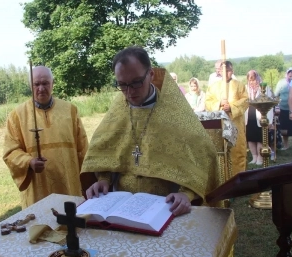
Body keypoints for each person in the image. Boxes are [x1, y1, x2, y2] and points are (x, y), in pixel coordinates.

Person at [81, 46, 220, 217]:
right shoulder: (118, 110)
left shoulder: (174, 111)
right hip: (120, 207)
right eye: (122, 85)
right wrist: (103, 179)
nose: (130, 92)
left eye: (136, 83)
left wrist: (187, 194)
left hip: (166, 206)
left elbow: (202, 154)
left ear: (151, 75)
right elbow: (105, 151)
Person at [3, 66, 88, 208]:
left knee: (72, 226)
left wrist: (87, 181)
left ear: (52, 83)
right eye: (37, 84)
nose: (41, 88)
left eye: (45, 83)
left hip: (69, 185)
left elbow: (83, 149)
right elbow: (10, 152)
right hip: (38, 189)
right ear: (30, 86)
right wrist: (29, 162)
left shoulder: (70, 110)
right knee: (42, 227)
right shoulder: (17, 116)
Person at [205, 61, 249, 176]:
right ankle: (221, 179)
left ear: (232, 71)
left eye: (228, 70)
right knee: (220, 152)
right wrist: (219, 103)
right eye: (223, 71)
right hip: (219, 125)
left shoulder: (239, 85)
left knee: (237, 151)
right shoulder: (213, 86)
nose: (226, 73)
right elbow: (208, 102)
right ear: (219, 71)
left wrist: (231, 107)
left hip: (236, 123)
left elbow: (245, 101)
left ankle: (237, 180)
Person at [244, 70, 274, 165]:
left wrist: (270, 120)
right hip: (249, 116)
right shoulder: (245, 88)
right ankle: (254, 157)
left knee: (260, 138)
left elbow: (269, 104)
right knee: (251, 138)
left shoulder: (264, 88)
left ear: (257, 78)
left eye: (253, 80)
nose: (252, 82)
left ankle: (260, 158)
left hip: (261, 115)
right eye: (250, 80)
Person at [275, 67, 292, 151]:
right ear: (287, 75)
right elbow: (276, 94)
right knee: (284, 128)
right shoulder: (281, 83)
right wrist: (276, 106)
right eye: (290, 76)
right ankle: (286, 145)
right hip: (283, 108)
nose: (291, 78)